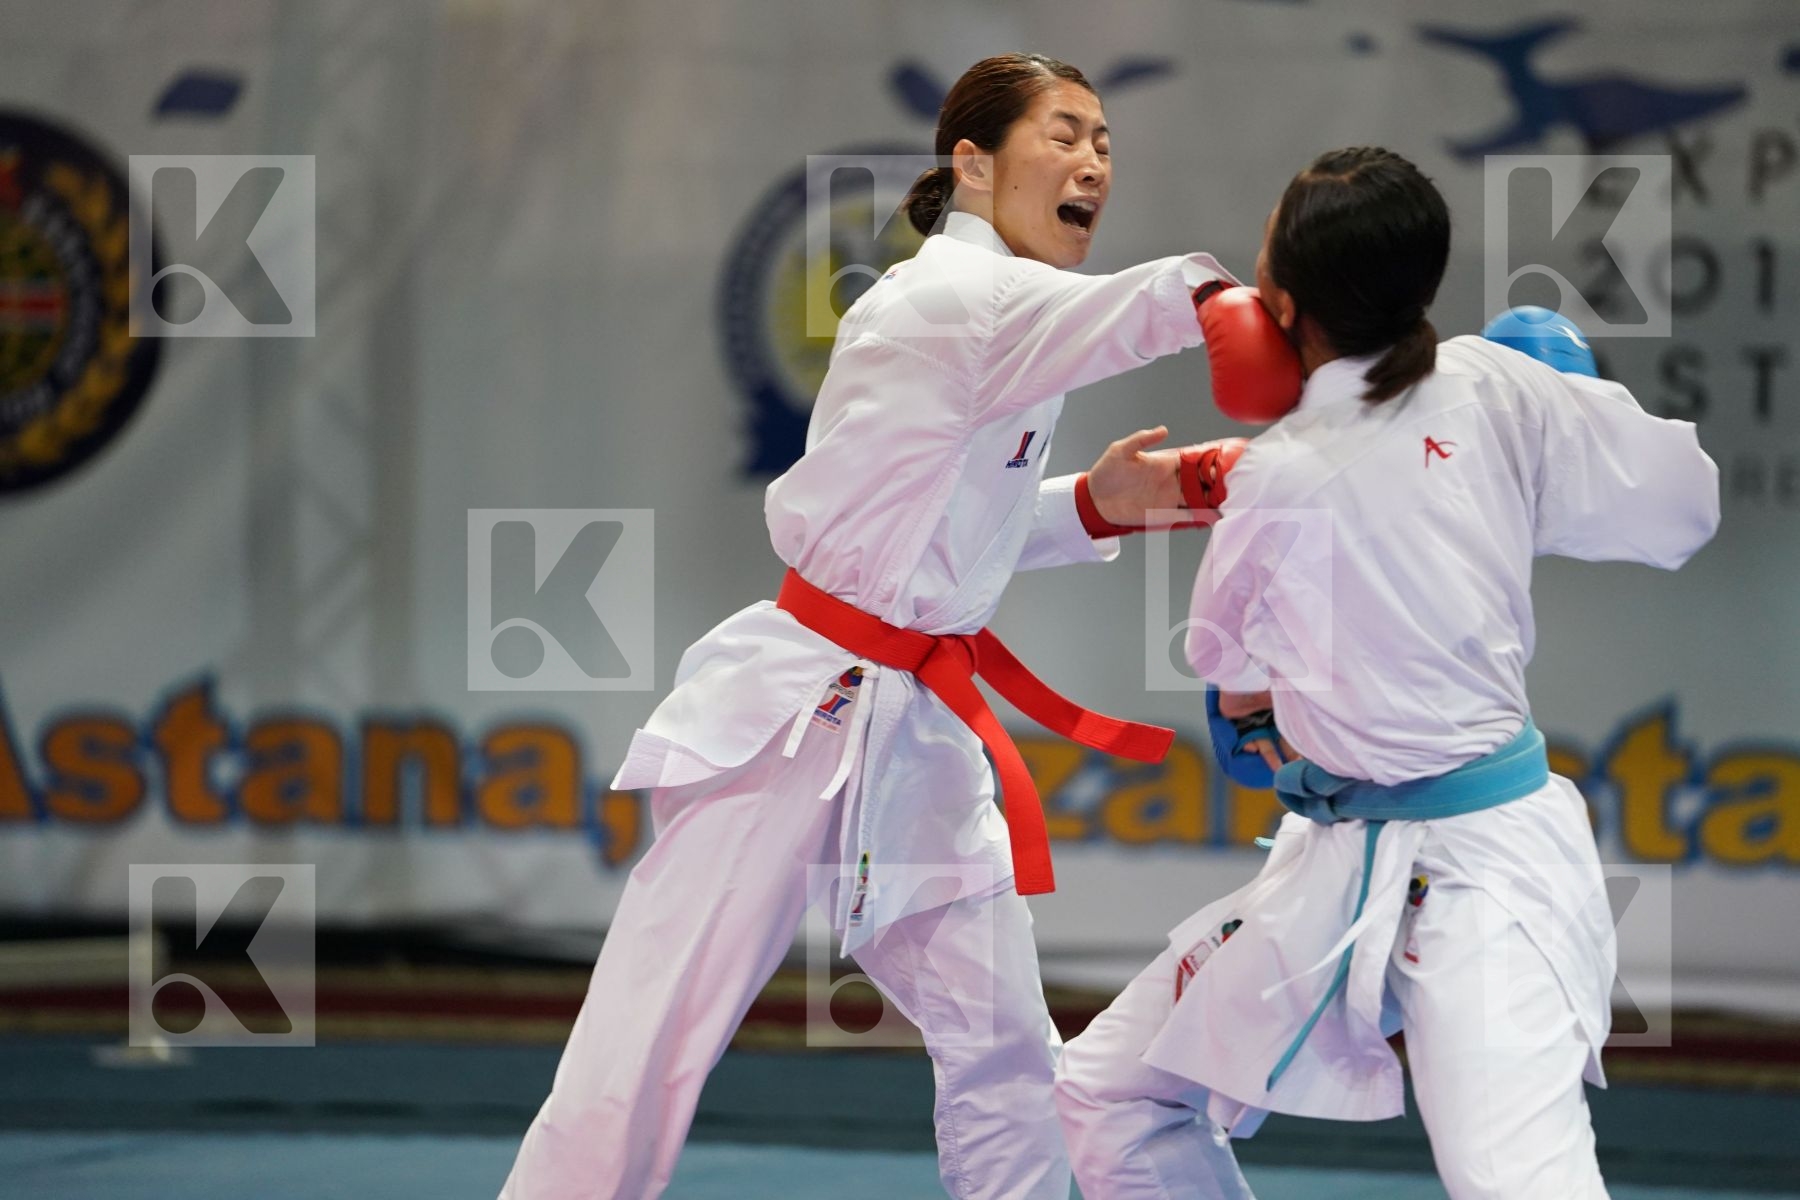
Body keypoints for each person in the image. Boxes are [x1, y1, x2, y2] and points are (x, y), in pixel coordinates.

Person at [499, 52, 1247, 1200]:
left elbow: (936, 544)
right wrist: (1255, 304)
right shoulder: (959, 297)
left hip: (915, 730)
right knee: (651, 1036)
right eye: (1064, 135)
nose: (1095, 162)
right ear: (973, 163)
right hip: (794, 711)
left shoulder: (1006, 312)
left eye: (1105, 142)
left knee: (1003, 1043)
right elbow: (1143, 310)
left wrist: (1097, 505)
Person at [1054, 146, 1720, 1200]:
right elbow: (1685, 510)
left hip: (1485, 870)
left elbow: (1229, 676)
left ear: (1278, 303)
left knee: (1516, 1182)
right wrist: (1573, 409)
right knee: (1109, 1090)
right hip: (1342, 864)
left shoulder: (1283, 478)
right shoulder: (1496, 385)